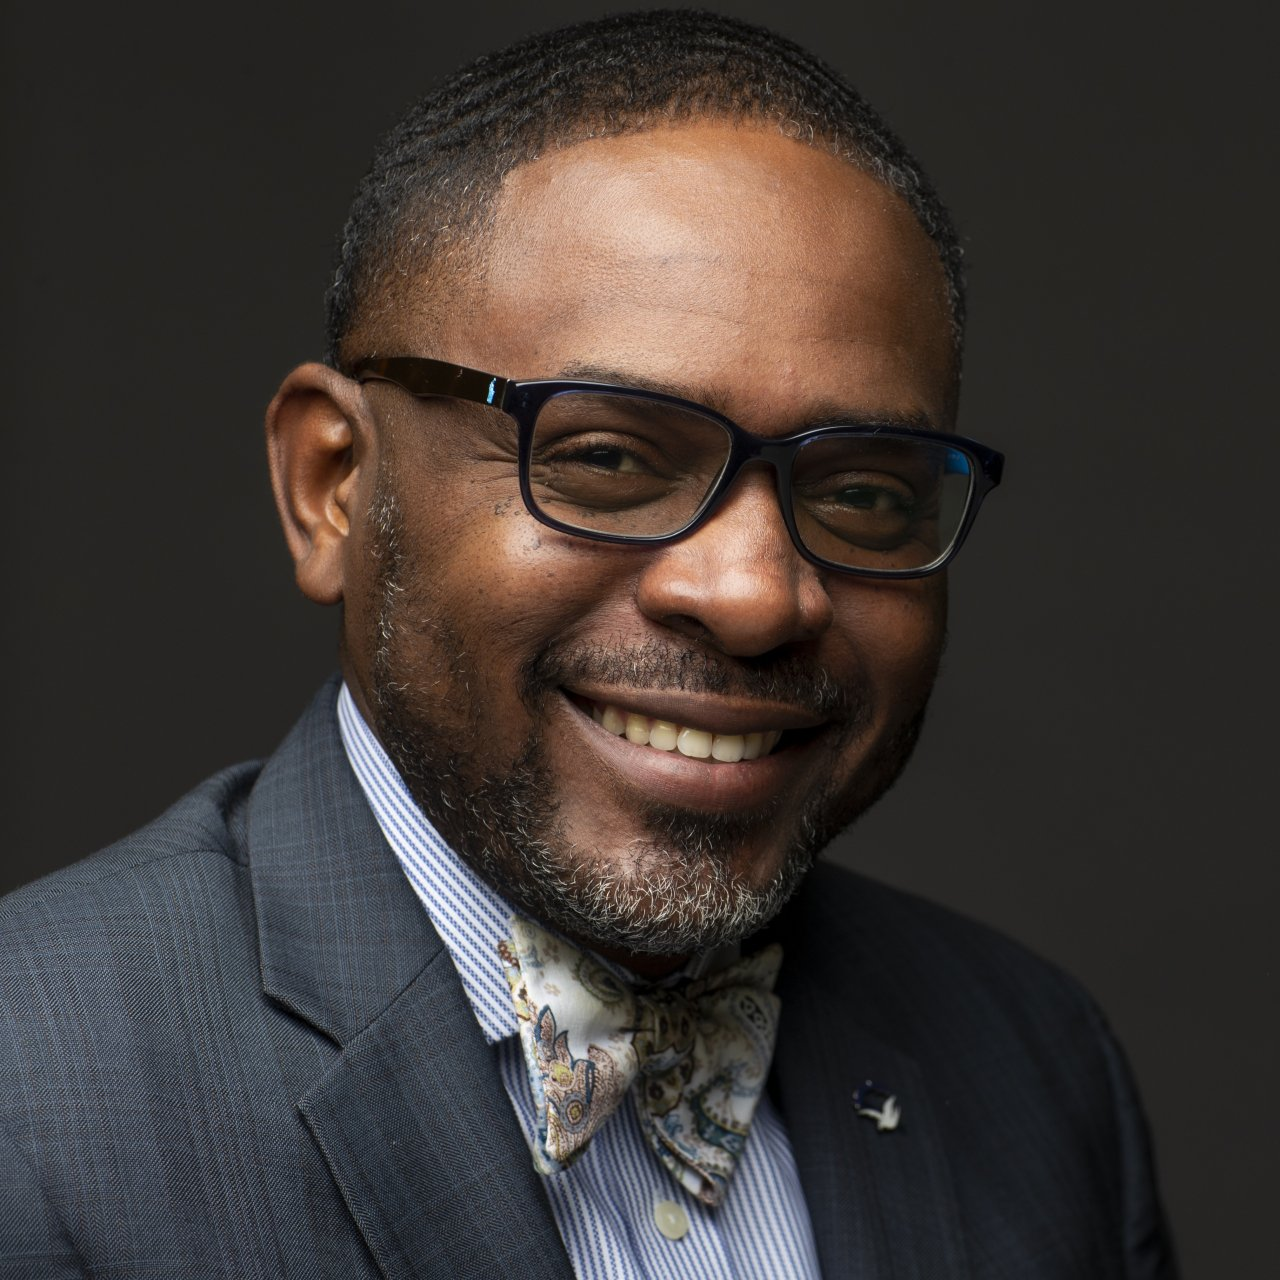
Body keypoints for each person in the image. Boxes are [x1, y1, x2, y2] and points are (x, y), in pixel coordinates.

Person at [0, 10, 1177, 1278]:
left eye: (861, 490)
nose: (752, 596)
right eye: (607, 456)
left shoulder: (1035, 1069)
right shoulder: (35, 1095)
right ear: (332, 485)